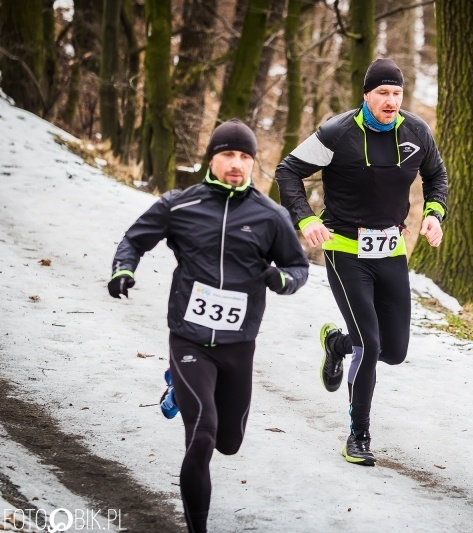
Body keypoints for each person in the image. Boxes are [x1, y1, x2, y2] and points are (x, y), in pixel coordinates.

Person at [108, 119, 309, 533]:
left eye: (244, 156)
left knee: (229, 442)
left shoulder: (270, 216)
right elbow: (134, 239)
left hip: (239, 345)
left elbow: (297, 266)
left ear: (253, 163)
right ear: (211, 159)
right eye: (227, 155)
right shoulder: (180, 205)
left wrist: (283, 280)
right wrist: (123, 269)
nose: (236, 164)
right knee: (202, 432)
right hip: (190, 338)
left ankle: (178, 389)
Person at [275, 58, 448, 466]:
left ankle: (337, 343)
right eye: (382, 93)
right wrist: (305, 218)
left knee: (394, 350)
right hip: (345, 251)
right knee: (369, 345)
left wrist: (435, 214)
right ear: (366, 95)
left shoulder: (416, 131)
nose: (391, 101)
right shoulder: (337, 133)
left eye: (397, 93)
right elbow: (288, 170)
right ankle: (358, 435)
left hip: (391, 252)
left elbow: (437, 176)